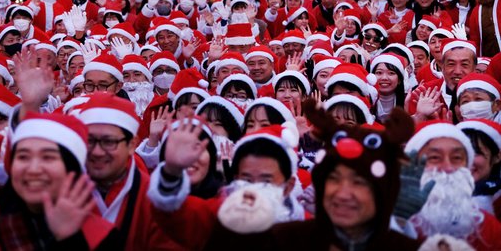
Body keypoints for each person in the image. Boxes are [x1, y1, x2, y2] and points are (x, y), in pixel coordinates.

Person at [204, 105, 419, 250]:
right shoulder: (285, 240)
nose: (343, 193)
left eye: (359, 182)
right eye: (333, 179)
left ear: (384, 188)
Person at [0, 112, 119, 250]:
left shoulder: (101, 235)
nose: (33, 169)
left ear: (71, 169)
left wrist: (69, 240)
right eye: (23, 157)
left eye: (48, 157)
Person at [148, 121, 303, 250]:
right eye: (247, 180)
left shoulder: (305, 229)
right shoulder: (217, 216)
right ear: (236, 179)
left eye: (266, 181)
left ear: (288, 186)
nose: (255, 189)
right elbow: (176, 216)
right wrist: (172, 171)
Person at [78, 92, 178, 250]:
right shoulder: (61, 191)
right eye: (89, 141)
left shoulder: (154, 199)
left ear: (132, 145)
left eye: (109, 142)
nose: (97, 151)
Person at [404, 121, 501, 250]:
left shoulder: (487, 225)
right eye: (434, 157)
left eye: (457, 158)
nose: (448, 167)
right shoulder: (392, 223)